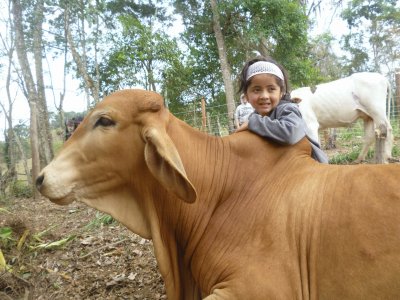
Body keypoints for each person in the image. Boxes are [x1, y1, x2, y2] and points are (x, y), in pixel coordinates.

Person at [235, 56, 328, 163]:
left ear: (281, 92)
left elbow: (291, 133)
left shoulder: (287, 108)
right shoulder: (254, 117)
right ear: (246, 95)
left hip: (311, 167)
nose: (264, 96)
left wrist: (254, 123)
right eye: (257, 90)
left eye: (271, 89)